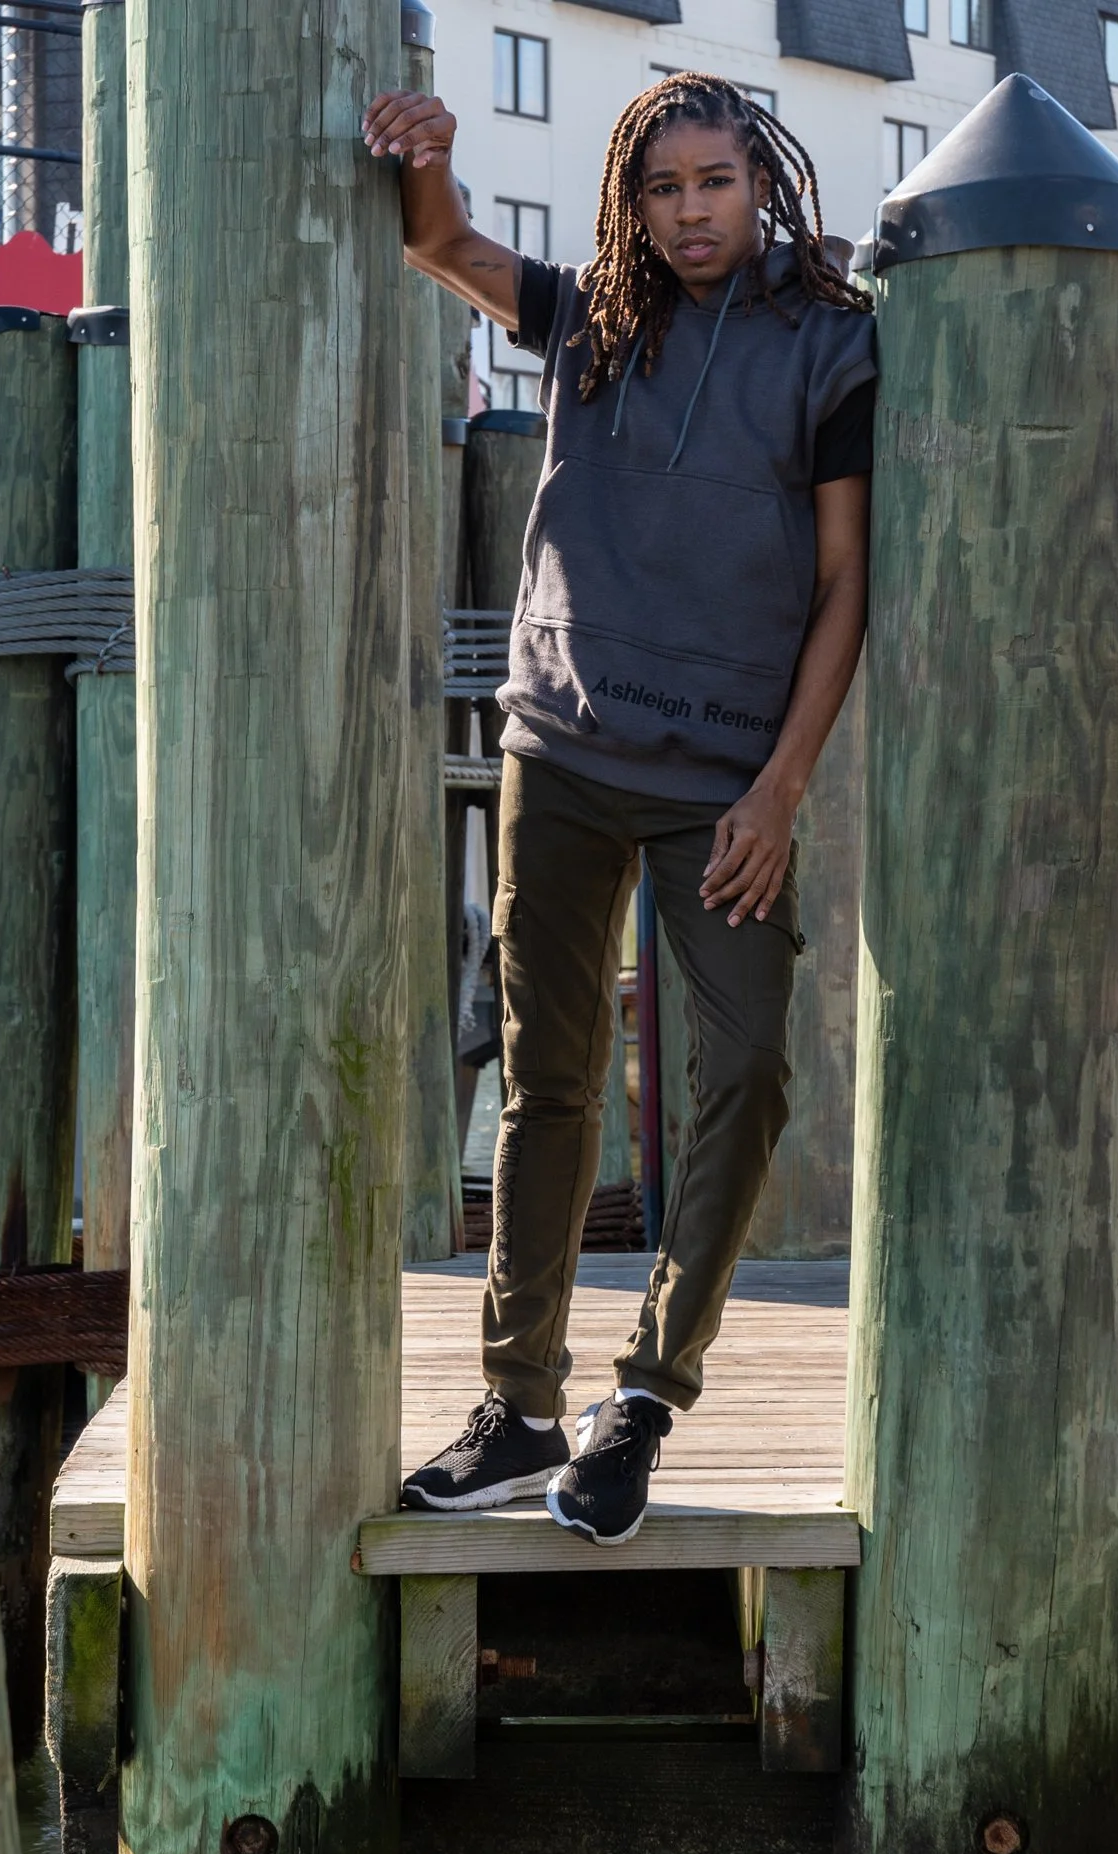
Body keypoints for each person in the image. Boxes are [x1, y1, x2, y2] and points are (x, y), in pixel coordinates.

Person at [364, 72, 874, 1547]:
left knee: (748, 1069)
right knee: (548, 1084)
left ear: (760, 184)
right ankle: (520, 1405)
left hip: (722, 786)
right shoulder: (597, 315)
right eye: (661, 190)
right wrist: (430, 160)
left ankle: (644, 1395)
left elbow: (846, 582)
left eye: (712, 182)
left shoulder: (830, 341)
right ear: (630, 204)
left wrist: (779, 790)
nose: (688, 211)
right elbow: (445, 248)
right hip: (563, 756)